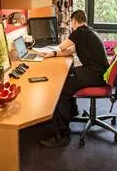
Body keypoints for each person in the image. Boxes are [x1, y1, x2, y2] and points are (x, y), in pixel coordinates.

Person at [39, 10, 110, 148]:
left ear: (75, 21)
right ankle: (71, 113)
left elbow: (62, 46)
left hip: (95, 74)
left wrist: (52, 51)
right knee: (68, 76)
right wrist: (52, 54)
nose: (71, 26)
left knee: (61, 89)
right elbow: (71, 50)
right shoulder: (88, 32)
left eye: (71, 23)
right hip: (98, 73)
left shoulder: (80, 32)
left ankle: (62, 136)